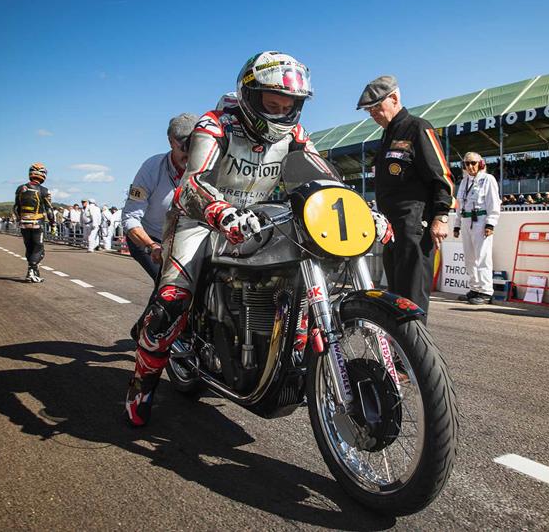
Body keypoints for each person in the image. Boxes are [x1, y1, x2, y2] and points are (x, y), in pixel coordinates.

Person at [124, 51, 393, 426]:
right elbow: (191, 185)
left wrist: (360, 211)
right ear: (250, 97)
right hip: (200, 220)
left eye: (289, 106)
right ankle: (142, 388)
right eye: (271, 103)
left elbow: (325, 179)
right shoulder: (215, 125)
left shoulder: (295, 135)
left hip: (260, 218)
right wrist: (219, 211)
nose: (280, 113)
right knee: (171, 301)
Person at [357, 74, 453, 317]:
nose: (373, 114)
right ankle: (400, 352)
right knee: (396, 298)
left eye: (377, 106)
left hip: (414, 227)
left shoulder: (418, 127)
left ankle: (415, 350)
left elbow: (441, 175)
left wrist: (441, 215)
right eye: (369, 110)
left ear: (394, 98)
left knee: (413, 297)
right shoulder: (387, 135)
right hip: (392, 229)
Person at [121, 113, 198, 281]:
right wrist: (151, 246)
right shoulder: (151, 168)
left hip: (185, 238)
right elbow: (130, 217)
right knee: (168, 284)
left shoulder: (209, 167)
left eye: (196, 149)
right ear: (171, 142)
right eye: (184, 148)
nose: (190, 156)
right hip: (150, 238)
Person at [452, 152, 501, 305]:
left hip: (480, 220)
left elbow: (494, 203)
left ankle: (486, 291)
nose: (470, 166)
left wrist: (490, 224)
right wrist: (457, 225)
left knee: (482, 257)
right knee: (469, 258)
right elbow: (460, 206)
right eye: (467, 163)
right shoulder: (464, 181)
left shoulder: (488, 179)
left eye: (473, 163)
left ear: (480, 164)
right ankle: (475, 288)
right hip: (467, 220)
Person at [14, 163, 54, 282]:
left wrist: (19, 219)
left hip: (24, 223)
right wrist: (53, 224)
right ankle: (31, 271)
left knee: (29, 247)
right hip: (37, 223)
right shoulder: (44, 190)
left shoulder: (20, 188)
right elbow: (49, 210)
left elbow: (16, 207)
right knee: (39, 249)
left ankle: (33, 271)